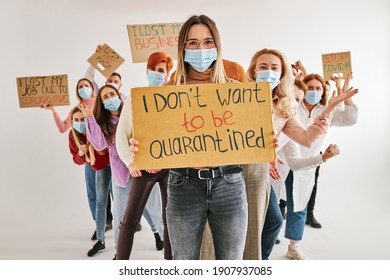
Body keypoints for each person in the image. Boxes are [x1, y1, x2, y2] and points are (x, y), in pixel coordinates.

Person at [129, 15, 248, 260]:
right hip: (183, 185)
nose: (201, 49)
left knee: (232, 263)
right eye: (192, 43)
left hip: (230, 184)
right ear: (182, 47)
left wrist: (267, 140)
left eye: (207, 41)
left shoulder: (236, 84)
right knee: (184, 263)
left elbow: (248, 133)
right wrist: (144, 151)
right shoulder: (166, 93)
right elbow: (160, 154)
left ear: (217, 45)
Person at [243, 48, 358, 260]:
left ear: (282, 74)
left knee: (274, 221)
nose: (269, 71)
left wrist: (330, 107)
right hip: (235, 175)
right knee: (246, 226)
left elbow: (306, 138)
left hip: (261, 177)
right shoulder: (239, 98)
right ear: (252, 71)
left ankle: (260, 262)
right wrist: (261, 152)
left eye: (274, 68)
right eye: (263, 67)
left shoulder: (284, 109)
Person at [282, 73, 358, 260]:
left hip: (308, 163)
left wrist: (347, 95)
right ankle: (269, 233)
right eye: (311, 87)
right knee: (275, 204)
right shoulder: (292, 105)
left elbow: (351, 119)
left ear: (324, 91)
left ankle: (293, 245)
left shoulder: (326, 111)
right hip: (281, 161)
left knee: (299, 204)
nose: (314, 91)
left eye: (319, 88)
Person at [115, 51, 174, 260]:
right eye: (154, 69)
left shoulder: (174, 99)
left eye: (162, 70)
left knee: (171, 220)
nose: (157, 74)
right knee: (130, 219)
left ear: (168, 74)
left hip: (170, 169)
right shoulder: (134, 99)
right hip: (142, 168)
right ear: (147, 71)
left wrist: (165, 162)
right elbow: (121, 134)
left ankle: (171, 264)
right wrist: (131, 163)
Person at [41, 78, 113, 240]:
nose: (83, 88)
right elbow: (63, 128)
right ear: (76, 91)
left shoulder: (100, 103)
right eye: (80, 86)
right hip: (90, 159)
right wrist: (54, 111)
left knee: (114, 191)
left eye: (86, 86)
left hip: (107, 156)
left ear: (92, 88)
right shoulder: (76, 109)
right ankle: (101, 224)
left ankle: (126, 220)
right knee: (93, 194)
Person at [78, 84, 130, 259]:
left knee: (154, 210)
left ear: (119, 95)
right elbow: (99, 144)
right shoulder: (102, 123)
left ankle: (158, 234)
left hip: (143, 172)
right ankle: (118, 252)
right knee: (117, 212)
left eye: (111, 94)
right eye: (105, 97)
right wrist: (89, 118)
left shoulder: (132, 113)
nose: (109, 98)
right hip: (118, 173)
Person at [68, 107, 111, 256]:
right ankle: (101, 238)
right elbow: (77, 159)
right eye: (76, 120)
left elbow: (107, 146)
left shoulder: (97, 126)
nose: (80, 123)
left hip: (114, 164)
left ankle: (156, 231)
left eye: (82, 120)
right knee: (99, 199)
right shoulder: (73, 135)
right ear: (72, 122)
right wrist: (81, 153)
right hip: (97, 167)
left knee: (128, 200)